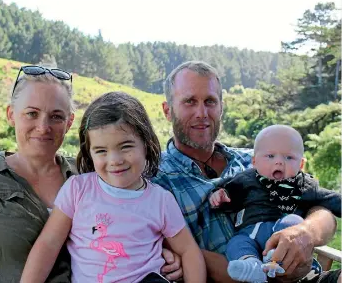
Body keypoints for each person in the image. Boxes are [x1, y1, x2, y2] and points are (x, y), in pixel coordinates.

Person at [0, 66, 180, 283]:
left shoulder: (90, 175)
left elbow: (139, 217)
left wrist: (169, 256)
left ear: (69, 122)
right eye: (32, 113)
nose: (43, 127)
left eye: (56, 116)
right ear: (11, 115)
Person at [151, 60, 338, 283]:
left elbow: (320, 206)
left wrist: (307, 232)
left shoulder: (258, 159)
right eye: (189, 101)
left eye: (210, 101)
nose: (201, 112)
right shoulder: (155, 180)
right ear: (167, 111)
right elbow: (179, 254)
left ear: (221, 107)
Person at [20, 91, 206, 283]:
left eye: (126, 146)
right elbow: (49, 243)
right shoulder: (77, 189)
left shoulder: (161, 200)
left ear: (146, 144)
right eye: (101, 151)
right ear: (89, 153)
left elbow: (188, 251)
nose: (115, 160)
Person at [208, 124, 341, 282]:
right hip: (251, 233)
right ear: (255, 161)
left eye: (288, 157)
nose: (279, 162)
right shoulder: (245, 179)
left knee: (292, 221)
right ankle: (251, 265)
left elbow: (330, 199)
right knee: (236, 243)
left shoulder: (304, 185)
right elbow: (229, 195)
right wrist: (220, 197)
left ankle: (276, 257)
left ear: (301, 164)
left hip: (288, 239)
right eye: (270, 156)